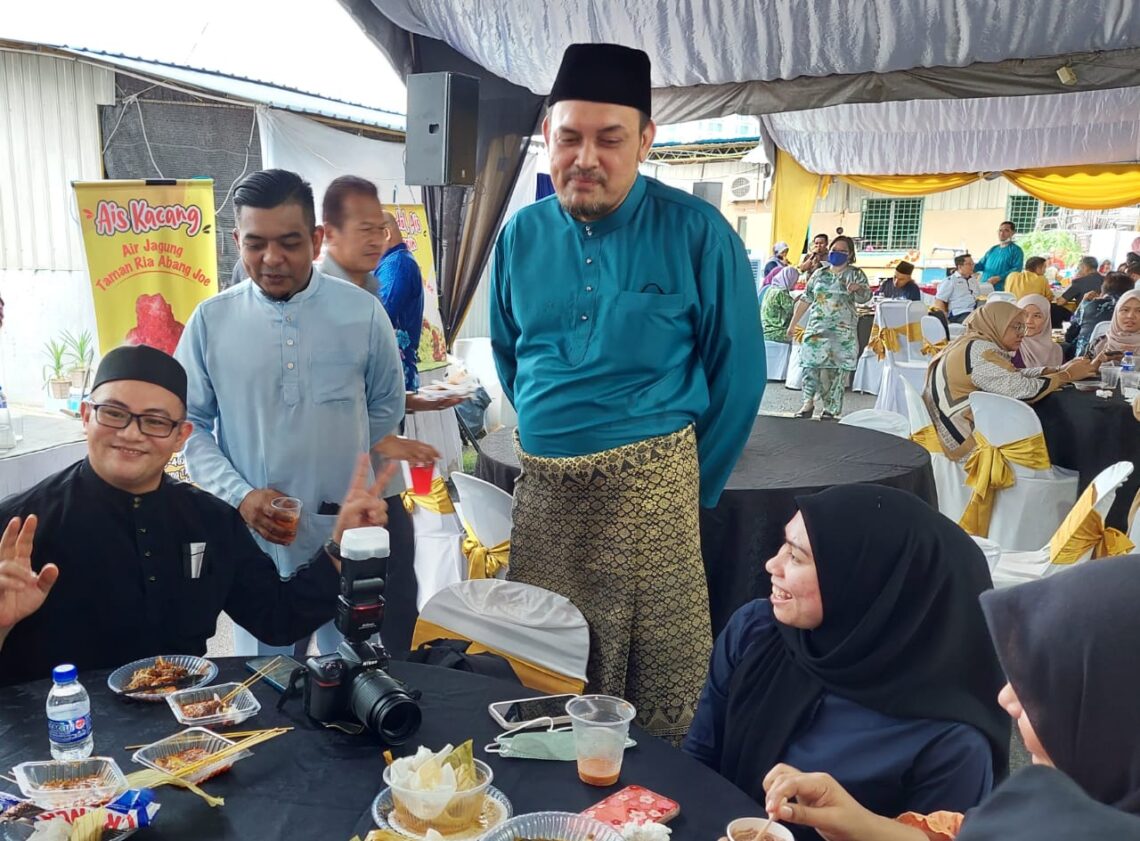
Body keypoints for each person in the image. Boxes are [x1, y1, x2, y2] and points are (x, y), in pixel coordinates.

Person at [489, 43, 764, 742]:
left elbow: (739, 374)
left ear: (645, 140)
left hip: (651, 500)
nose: (587, 157)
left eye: (609, 139)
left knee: (653, 688)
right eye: (570, 136)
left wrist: (686, 490)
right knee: (544, 669)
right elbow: (508, 350)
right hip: (546, 495)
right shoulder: (521, 233)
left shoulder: (697, 232)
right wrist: (551, 430)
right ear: (547, 136)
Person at [0, 345, 394, 686]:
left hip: (188, 738)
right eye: (114, 414)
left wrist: (341, 547)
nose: (132, 433)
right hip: (61, 746)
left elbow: (277, 619)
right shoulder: (19, 529)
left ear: (180, 436)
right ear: (86, 416)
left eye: (155, 421)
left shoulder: (210, 521)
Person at [173, 169, 413, 659]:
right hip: (253, 543)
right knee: (265, 684)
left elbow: (386, 407)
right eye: (256, 244)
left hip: (344, 538)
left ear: (317, 238)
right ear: (237, 239)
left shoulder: (363, 314)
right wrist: (241, 497)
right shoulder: (211, 322)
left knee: (351, 680)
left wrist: (344, 488)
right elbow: (190, 426)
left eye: (289, 242)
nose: (272, 259)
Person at [683, 484, 1007, 841]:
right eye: (784, 546)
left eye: (797, 557)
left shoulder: (951, 741)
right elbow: (698, 764)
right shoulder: (757, 633)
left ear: (867, 584)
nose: (771, 565)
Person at [759, 554, 1140, 840]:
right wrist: (856, 822)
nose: (1007, 699)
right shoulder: (1065, 814)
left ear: (1113, 711)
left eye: (1044, 685)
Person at [924, 302, 1097, 461]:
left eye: (1022, 327)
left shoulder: (971, 342)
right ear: (996, 323)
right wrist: (1066, 376)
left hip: (947, 426)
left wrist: (1057, 370)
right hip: (961, 439)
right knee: (1052, 431)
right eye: (1015, 327)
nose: (1022, 333)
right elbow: (1022, 390)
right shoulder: (982, 350)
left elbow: (1010, 376)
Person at [787, 235, 871, 420]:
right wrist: (793, 324)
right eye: (834, 250)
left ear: (850, 255)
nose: (837, 254)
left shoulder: (855, 274)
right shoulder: (819, 274)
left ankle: (830, 410)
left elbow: (865, 298)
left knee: (836, 372)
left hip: (842, 332)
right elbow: (806, 299)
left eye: (842, 251)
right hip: (817, 329)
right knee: (810, 366)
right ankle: (807, 403)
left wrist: (858, 289)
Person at [1070, 272, 1135, 357]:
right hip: (1125, 358)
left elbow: (1071, 332)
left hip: (1084, 360)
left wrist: (1083, 302)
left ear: (1103, 288)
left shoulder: (1089, 305)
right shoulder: (1133, 310)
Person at [1011, 294, 1061, 369]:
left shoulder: (1056, 351)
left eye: (1037, 316)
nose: (1029, 321)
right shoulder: (1009, 349)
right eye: (1025, 315)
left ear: (1046, 320)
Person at [973, 221, 1024, 291]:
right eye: (1000, 230)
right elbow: (981, 265)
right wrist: (967, 268)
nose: (1002, 233)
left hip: (1001, 290)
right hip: (984, 287)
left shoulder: (1016, 250)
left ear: (1013, 233)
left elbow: (1017, 269)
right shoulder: (993, 249)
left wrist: (999, 277)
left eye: (1006, 230)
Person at [1090, 287, 1140, 357]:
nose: (1130, 316)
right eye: (1125, 310)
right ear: (1116, 313)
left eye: (1139, 311)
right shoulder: (1099, 343)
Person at [933, 254, 980, 323]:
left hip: (975, 311)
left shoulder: (973, 280)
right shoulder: (950, 280)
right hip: (959, 313)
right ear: (960, 266)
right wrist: (944, 319)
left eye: (973, 264)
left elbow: (977, 297)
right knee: (978, 322)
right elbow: (939, 301)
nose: (972, 266)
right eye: (969, 264)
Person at [761, 266, 798, 342]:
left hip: (765, 331)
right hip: (777, 333)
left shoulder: (770, 289)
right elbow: (794, 311)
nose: (794, 284)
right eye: (794, 281)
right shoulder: (781, 292)